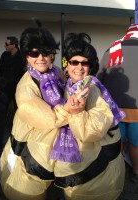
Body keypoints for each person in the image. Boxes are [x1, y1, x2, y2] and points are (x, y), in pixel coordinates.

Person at [0, 22, 88, 200]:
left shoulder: (55, 73)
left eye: (45, 52)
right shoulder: (26, 86)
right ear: (26, 55)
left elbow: (67, 88)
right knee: (27, 187)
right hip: (30, 145)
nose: (40, 57)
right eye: (34, 53)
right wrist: (67, 110)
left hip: (52, 143)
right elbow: (45, 117)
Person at [52, 32, 125, 200]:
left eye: (84, 63)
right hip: (82, 157)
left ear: (90, 66)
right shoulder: (68, 84)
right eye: (74, 62)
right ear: (66, 65)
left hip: (95, 167)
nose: (79, 67)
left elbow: (92, 131)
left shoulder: (92, 89)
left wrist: (76, 113)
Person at [97, 23, 138, 183]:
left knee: (116, 143)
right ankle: (136, 172)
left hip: (113, 110)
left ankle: (116, 173)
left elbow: (99, 80)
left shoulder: (111, 50)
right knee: (136, 144)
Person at [0, 36, 24, 118]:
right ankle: (2, 130)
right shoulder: (4, 55)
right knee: (1, 110)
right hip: (5, 88)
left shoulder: (22, 57)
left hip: (18, 89)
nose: (5, 46)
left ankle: (19, 129)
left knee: (19, 111)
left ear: (14, 45)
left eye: (6, 44)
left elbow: (24, 73)